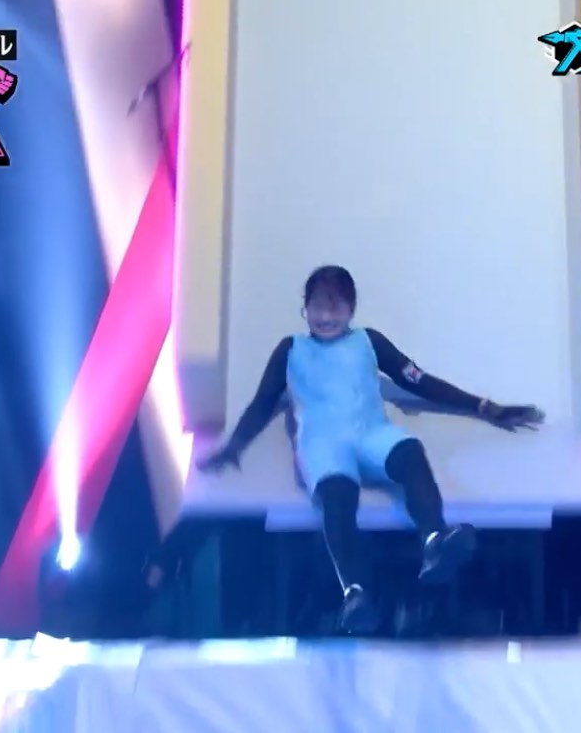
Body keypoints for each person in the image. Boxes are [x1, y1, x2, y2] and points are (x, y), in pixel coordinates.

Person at [198, 265, 544, 633]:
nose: (325, 316)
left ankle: (434, 540)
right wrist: (234, 446)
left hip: (371, 433)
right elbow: (262, 403)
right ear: (305, 308)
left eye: (335, 307)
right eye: (317, 306)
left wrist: (483, 407)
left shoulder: (369, 341)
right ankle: (355, 593)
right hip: (323, 444)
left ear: (351, 309)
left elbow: (418, 381)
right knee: (337, 495)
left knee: (409, 453)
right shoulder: (290, 349)